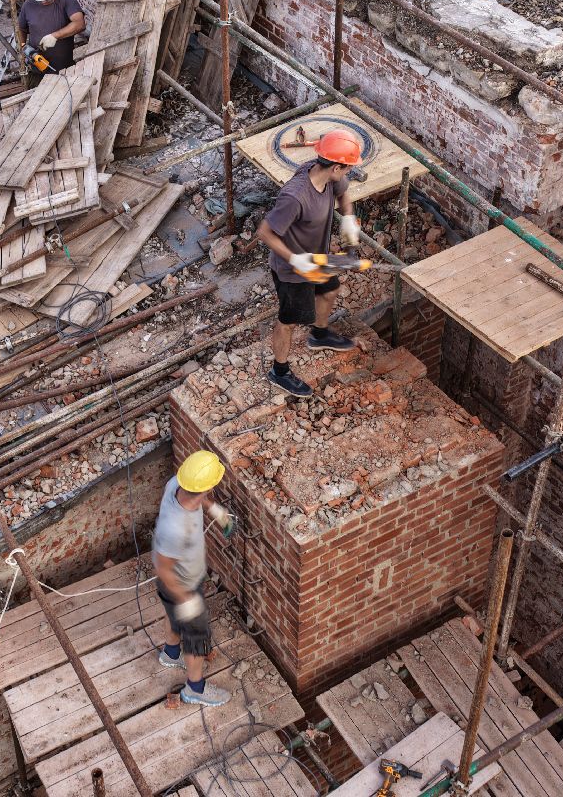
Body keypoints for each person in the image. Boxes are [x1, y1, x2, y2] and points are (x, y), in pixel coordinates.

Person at [253, 130, 362, 399]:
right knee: (288, 321)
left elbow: (345, 202)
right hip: (292, 269)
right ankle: (279, 371)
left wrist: (350, 239)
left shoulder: (330, 177)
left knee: (329, 290)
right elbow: (264, 232)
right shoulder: (294, 197)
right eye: (347, 168)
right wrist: (294, 259)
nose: (348, 173)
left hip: (319, 258)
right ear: (336, 166)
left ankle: (320, 335)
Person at [153, 450, 236, 707]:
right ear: (207, 486)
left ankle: (170, 653)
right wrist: (186, 599)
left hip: (175, 586)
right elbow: (162, 566)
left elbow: (197, 495)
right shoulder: (176, 528)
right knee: (197, 635)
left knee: (172, 614)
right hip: (181, 585)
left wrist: (216, 511)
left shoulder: (176, 484)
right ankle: (195, 689)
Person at [17, 0, 85, 74]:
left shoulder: (66, 1)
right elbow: (21, 29)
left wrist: (54, 36)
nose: (43, 1)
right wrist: (22, 47)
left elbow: (79, 24)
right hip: (37, 67)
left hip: (65, 69)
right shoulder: (28, 6)